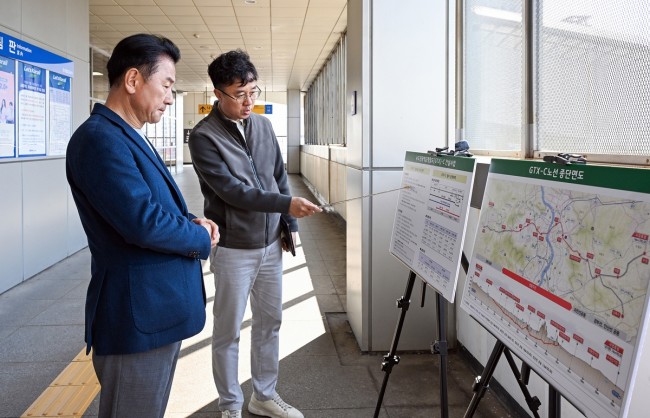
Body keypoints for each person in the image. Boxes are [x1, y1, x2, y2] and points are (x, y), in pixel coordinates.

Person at [66, 33, 219, 418]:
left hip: (155, 313)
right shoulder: (100, 139)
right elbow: (142, 223)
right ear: (133, 79)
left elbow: (149, 206)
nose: (170, 97)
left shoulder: (125, 135)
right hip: (137, 321)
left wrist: (190, 219)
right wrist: (199, 236)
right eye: (166, 85)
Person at [188, 49, 321, 418]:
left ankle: (263, 395)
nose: (248, 102)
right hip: (233, 248)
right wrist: (286, 205)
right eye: (239, 94)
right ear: (218, 93)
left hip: (270, 245)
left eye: (253, 92)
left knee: (269, 323)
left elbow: (278, 176)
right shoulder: (203, 137)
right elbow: (233, 192)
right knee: (228, 331)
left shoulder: (262, 125)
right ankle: (230, 404)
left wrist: (288, 225)